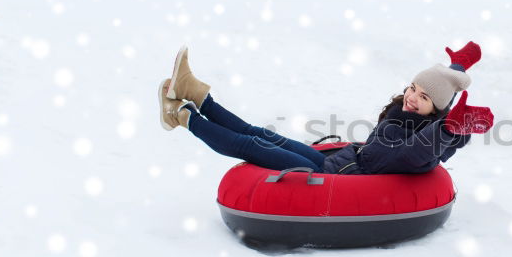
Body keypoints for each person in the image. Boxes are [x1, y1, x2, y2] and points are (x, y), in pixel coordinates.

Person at [158, 42, 493, 175]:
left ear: (436, 110)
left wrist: (450, 128)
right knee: (259, 134)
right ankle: (198, 97)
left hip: (332, 176)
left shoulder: (421, 141)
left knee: (251, 146)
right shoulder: (405, 115)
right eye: (413, 88)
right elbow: (443, 91)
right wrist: (457, 68)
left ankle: (182, 117)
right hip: (337, 160)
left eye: (423, 97)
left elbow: (422, 150)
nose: (412, 97)